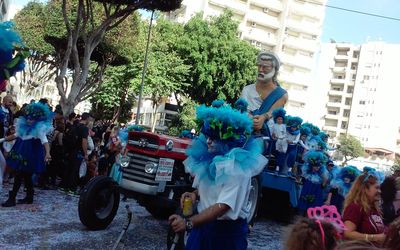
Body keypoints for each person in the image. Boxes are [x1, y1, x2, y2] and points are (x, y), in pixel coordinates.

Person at [168, 99, 268, 249]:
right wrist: (195, 194)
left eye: (214, 138)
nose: (208, 141)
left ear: (228, 140)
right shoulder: (212, 163)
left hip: (226, 236)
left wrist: (189, 223)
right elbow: (213, 190)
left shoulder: (237, 169)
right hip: (203, 229)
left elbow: (223, 206)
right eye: (208, 136)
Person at [1, 102, 52, 207]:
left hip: (30, 156)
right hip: (21, 153)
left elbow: (45, 142)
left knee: (20, 174)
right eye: (28, 118)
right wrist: (2, 139)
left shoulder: (39, 130)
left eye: (32, 119)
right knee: (26, 175)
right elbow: (14, 136)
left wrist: (47, 153)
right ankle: (29, 197)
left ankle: (12, 198)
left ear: (37, 120)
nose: (29, 120)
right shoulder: (24, 127)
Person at [240, 51, 288, 134]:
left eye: (265, 67)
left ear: (274, 69)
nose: (260, 70)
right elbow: (241, 112)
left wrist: (263, 118)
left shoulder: (281, 95)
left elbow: (272, 115)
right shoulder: (247, 90)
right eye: (259, 66)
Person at [342, 170, 386, 245]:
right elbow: (348, 233)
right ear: (365, 189)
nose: (380, 191)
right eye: (377, 188)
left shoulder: (373, 208)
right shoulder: (354, 207)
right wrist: (375, 237)